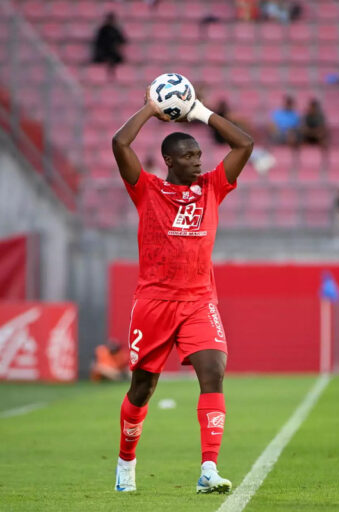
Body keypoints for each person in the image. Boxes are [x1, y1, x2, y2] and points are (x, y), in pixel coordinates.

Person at [110, 89, 253, 493]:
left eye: (199, 155)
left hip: (198, 302)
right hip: (153, 304)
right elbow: (120, 143)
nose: (198, 161)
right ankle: (126, 463)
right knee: (142, 388)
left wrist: (201, 112)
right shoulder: (147, 190)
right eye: (189, 156)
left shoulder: (213, 188)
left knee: (214, 372)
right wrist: (150, 110)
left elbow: (245, 143)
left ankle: (208, 470)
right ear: (170, 161)